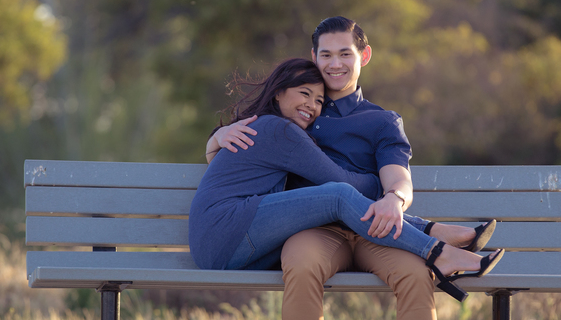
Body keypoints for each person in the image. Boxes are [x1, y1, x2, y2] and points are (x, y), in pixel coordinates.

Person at [208, 16, 503, 320]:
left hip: (378, 231)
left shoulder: (381, 121)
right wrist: (217, 138)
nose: (335, 63)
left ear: (363, 56)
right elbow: (244, 162)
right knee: (302, 263)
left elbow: (398, 177)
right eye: (325, 54)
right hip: (312, 230)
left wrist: (395, 200)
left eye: (344, 53)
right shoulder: (297, 106)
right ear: (313, 57)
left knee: (417, 274)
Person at [189, 58, 502, 283]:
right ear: (278, 93)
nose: (311, 106)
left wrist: (214, 139)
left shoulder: (266, 128)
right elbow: (342, 185)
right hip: (226, 232)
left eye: (319, 101)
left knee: (335, 206)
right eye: (303, 93)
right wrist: (379, 175)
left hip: (231, 248)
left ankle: (434, 232)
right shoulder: (278, 131)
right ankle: (436, 251)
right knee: (337, 197)